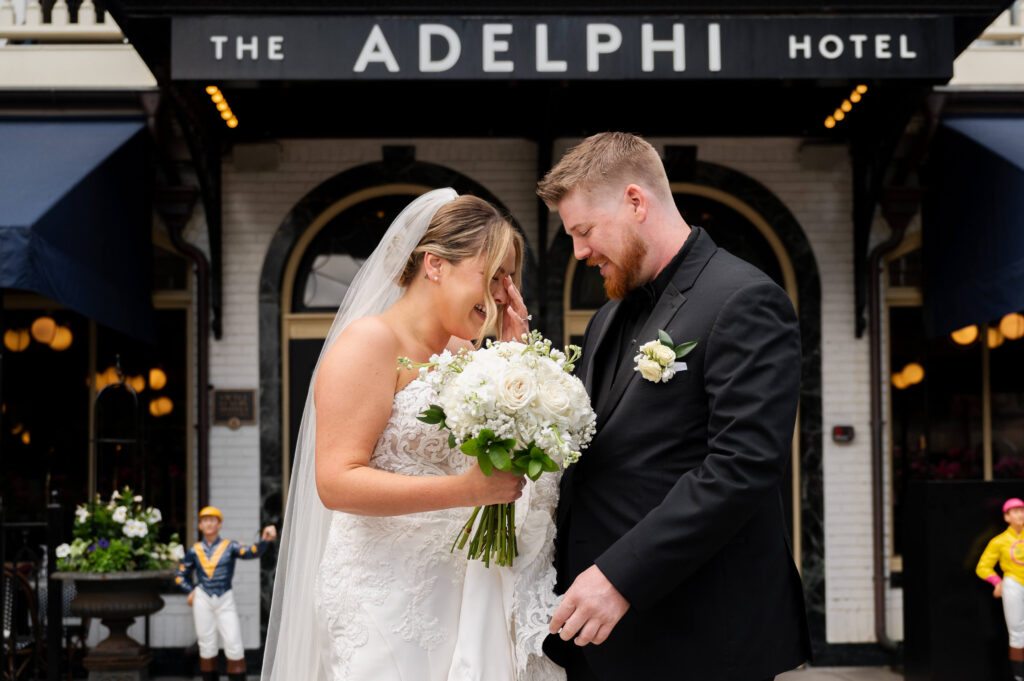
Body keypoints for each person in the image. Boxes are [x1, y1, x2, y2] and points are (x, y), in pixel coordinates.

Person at [536, 132, 811, 681]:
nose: (580, 252)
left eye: (584, 231)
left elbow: (742, 468)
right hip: (599, 638)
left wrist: (618, 577)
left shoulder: (744, 299)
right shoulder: (605, 317)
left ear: (636, 202)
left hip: (699, 633)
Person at [261, 189, 565, 681]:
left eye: (509, 278)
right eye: (493, 276)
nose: (503, 293)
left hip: (464, 592)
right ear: (435, 265)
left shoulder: (469, 353)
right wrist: (466, 491)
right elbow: (336, 482)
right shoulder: (369, 343)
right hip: (385, 595)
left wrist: (518, 364)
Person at [174, 505, 277, 681]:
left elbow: (251, 552)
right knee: (206, 645)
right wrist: (190, 591)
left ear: (219, 524)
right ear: (199, 525)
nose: (208, 524)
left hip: (225, 598)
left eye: (212, 520)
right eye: (205, 520)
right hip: (203, 597)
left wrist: (265, 540)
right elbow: (179, 576)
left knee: (234, 643)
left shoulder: (229, 546)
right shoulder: (194, 550)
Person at [975, 497, 1024, 681]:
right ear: (1006, 517)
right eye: (1015, 511)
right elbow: (982, 567)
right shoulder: (999, 541)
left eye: (1022, 510)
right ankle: (1019, 675)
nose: (1020, 514)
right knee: (1017, 631)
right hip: (1013, 583)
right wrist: (997, 582)